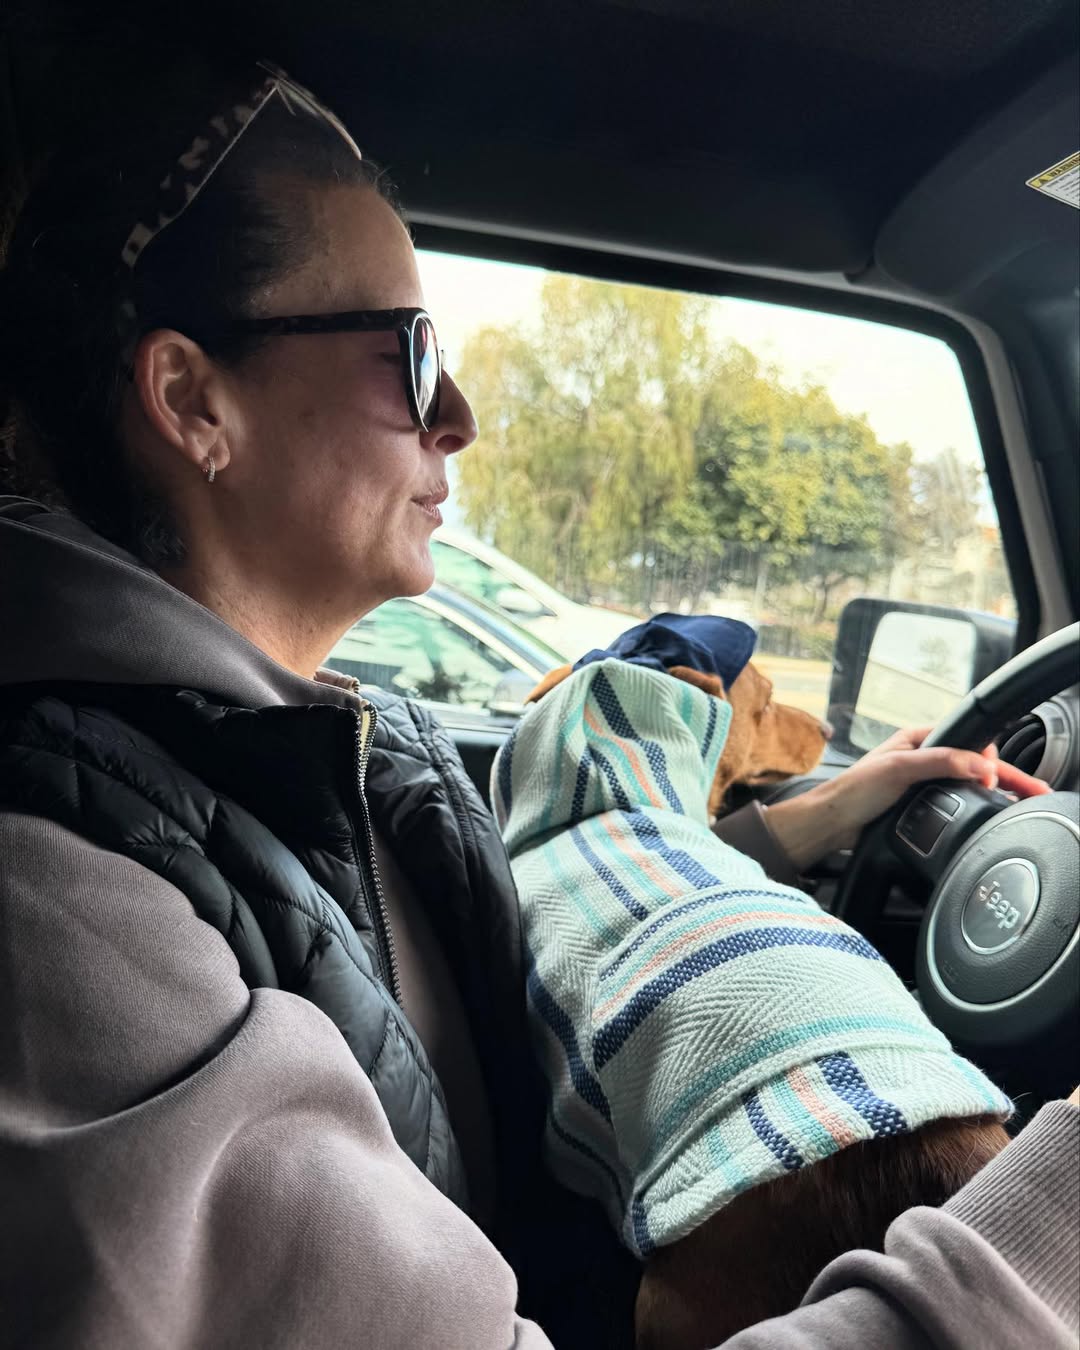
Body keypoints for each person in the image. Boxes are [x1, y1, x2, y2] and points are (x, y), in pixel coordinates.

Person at [0, 55, 1074, 1350]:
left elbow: (584, 881)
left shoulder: (338, 747)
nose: (457, 417)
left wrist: (832, 808)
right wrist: (1047, 1224)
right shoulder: (59, 914)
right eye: (410, 354)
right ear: (191, 400)